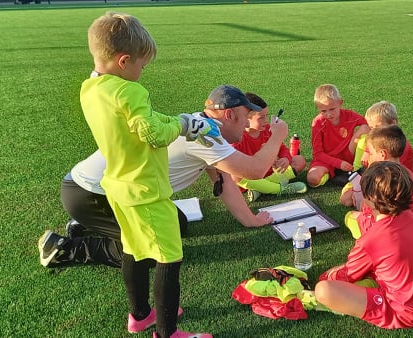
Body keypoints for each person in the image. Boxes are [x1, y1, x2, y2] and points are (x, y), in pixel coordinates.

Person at [39, 86, 287, 269]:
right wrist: (278, 135)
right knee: (147, 254)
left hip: (92, 188)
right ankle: (64, 248)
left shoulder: (203, 127)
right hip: (90, 194)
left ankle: (86, 224)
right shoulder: (206, 137)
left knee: (176, 223)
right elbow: (254, 170)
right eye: (245, 117)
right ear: (229, 115)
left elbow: (223, 183)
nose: (247, 125)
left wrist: (251, 221)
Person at [77, 12, 214, 338]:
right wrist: (183, 125)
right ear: (124, 61)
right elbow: (153, 133)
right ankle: (167, 334)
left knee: (134, 250)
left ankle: (140, 315)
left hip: (118, 186)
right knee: (170, 258)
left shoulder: (91, 88)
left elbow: (144, 121)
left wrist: (178, 118)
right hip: (146, 190)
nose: (142, 71)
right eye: (141, 64)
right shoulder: (130, 92)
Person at [314, 161, 413, 329]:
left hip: (403, 313)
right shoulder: (407, 216)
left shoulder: (373, 240)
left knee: (324, 290)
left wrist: (327, 276)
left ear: (368, 200)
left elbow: (348, 275)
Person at [343, 125, 413, 239]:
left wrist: (359, 198)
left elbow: (369, 209)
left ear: (382, 154)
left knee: (350, 216)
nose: (368, 157)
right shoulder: (407, 174)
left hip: (387, 233)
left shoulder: (379, 177)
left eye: (370, 153)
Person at [230, 92, 307, 202]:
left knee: (299, 161)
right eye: (261, 117)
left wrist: (285, 159)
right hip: (251, 176)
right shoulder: (238, 138)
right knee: (235, 176)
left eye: (267, 115)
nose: (266, 120)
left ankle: (261, 188)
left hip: (269, 172)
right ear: (246, 119)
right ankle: (280, 189)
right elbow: (238, 169)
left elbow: (282, 148)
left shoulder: (268, 129)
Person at [340, 101, 413, 208]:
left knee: (361, 205)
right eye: (371, 128)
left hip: (391, 186)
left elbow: (390, 178)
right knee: (346, 200)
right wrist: (366, 152)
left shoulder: (399, 147)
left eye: (377, 127)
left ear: (393, 123)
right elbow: (370, 143)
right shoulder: (377, 139)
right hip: (376, 179)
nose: (372, 132)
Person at [306, 84, 369, 187]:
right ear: (318, 108)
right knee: (313, 179)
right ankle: (332, 176)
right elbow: (318, 153)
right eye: (323, 111)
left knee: (365, 130)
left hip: (348, 157)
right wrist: (338, 164)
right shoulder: (318, 123)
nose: (328, 114)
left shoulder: (350, 116)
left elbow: (368, 124)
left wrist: (364, 148)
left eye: (332, 109)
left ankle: (356, 169)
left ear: (340, 103)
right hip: (327, 160)